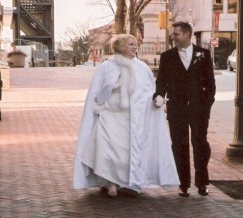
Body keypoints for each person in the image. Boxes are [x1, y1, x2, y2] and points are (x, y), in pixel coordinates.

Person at [73, 34, 180, 197]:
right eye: (131, 44)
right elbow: (97, 93)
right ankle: (111, 183)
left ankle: (128, 182)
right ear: (121, 46)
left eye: (136, 44)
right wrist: (110, 89)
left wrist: (156, 99)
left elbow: (148, 91)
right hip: (111, 114)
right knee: (108, 149)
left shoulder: (142, 67)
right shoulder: (107, 66)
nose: (135, 47)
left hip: (132, 118)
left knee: (126, 152)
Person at [153, 22, 216, 197]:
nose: (172, 37)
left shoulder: (203, 54)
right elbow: (161, 81)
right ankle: (183, 184)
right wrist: (158, 95)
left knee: (200, 144)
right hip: (176, 109)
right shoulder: (167, 56)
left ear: (187, 34)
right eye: (173, 34)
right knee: (179, 146)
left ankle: (202, 182)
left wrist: (206, 104)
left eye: (176, 34)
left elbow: (210, 83)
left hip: (199, 109)